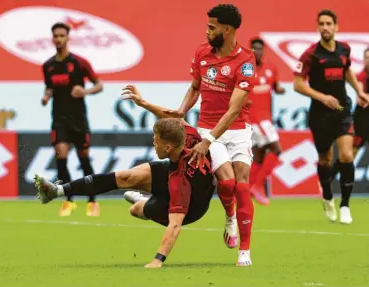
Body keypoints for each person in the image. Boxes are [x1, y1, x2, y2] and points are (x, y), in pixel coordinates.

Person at [35, 85, 215, 268]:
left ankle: (145, 201)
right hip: (174, 172)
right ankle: (56, 191)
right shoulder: (188, 136)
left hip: (192, 207)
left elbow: (176, 225)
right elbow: (173, 118)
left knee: (135, 210)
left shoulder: (180, 182)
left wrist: (158, 260)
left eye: (156, 140)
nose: (153, 143)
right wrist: (143, 103)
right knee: (125, 176)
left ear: (168, 147)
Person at [164, 4, 256, 266]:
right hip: (206, 127)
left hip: (236, 131)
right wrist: (182, 111)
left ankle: (245, 252)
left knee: (242, 185)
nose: (207, 31)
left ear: (227, 30)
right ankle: (230, 217)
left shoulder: (246, 61)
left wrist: (208, 141)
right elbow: (195, 88)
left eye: (212, 27)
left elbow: (234, 109)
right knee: (226, 184)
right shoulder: (202, 53)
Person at [293, 10, 369, 224]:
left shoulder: (344, 49)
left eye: (329, 23)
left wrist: (359, 91)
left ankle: (345, 204)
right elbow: (298, 84)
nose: (325, 27)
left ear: (336, 27)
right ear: (318, 28)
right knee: (325, 159)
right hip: (320, 114)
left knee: (346, 155)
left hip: (342, 110)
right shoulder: (310, 55)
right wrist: (323, 97)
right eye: (322, 24)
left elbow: (347, 72)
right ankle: (327, 197)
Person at [41, 22, 103, 217]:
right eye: (56, 36)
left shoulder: (79, 63)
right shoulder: (48, 66)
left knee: (84, 160)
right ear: (52, 39)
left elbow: (99, 84)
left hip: (78, 119)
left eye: (62, 35)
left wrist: (85, 91)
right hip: (59, 119)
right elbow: (50, 86)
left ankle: (92, 201)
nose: (58, 39)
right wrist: (47, 95)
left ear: (68, 38)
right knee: (61, 159)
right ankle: (69, 200)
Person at [247, 37, 286, 206]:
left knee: (259, 155)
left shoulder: (271, 67)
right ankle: (258, 186)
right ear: (250, 50)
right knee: (277, 149)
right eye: (254, 48)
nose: (257, 51)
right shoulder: (246, 70)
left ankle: (247, 189)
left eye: (260, 48)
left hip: (266, 118)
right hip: (254, 118)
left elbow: (275, 87)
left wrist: (280, 90)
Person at [331, 48, 369, 179]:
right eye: (367, 58)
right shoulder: (362, 76)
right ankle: (329, 178)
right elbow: (361, 101)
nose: (368, 61)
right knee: (349, 155)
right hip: (363, 119)